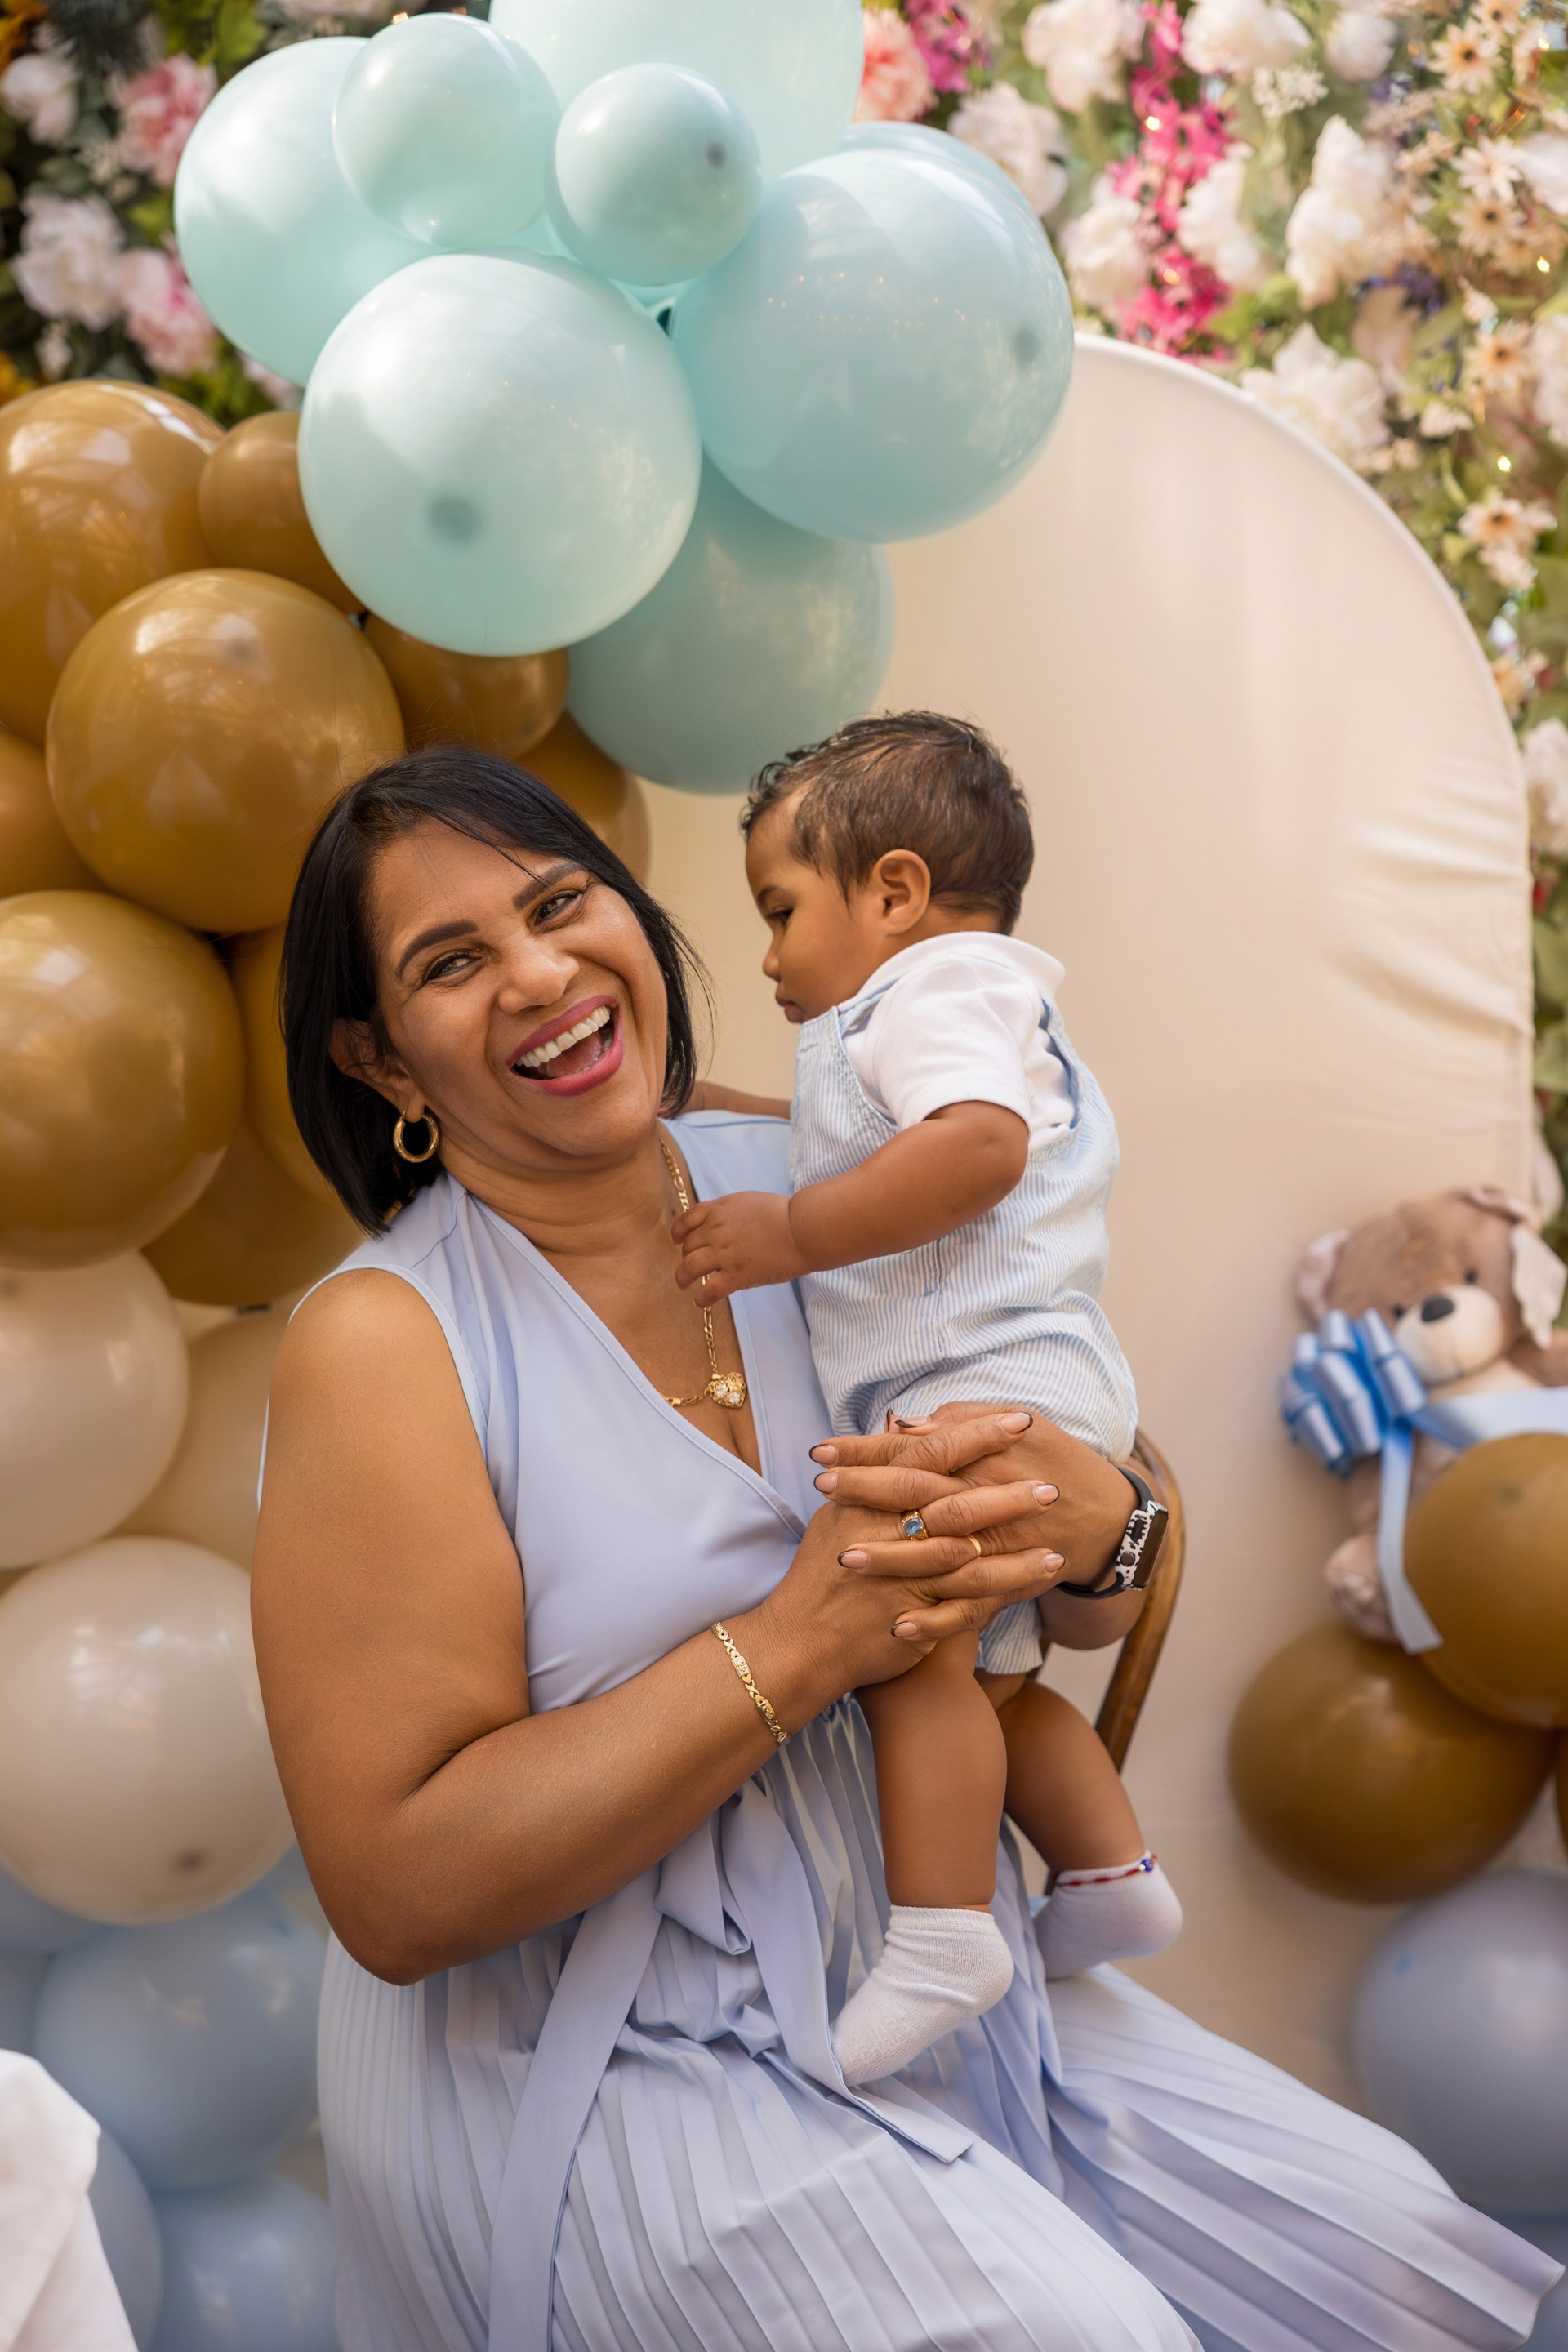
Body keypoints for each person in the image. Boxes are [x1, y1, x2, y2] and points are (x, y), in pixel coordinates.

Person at [252, 746, 1557, 2352]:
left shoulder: (828, 1176)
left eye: (559, 903)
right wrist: (800, 1639)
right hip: (606, 2064)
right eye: (450, 964)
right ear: (382, 1063)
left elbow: (1091, 1603)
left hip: (950, 1971)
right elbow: (397, 1890)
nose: (538, 974)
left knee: (1421, 2278)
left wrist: (1103, 1526)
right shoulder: (385, 1344)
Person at [670, 715, 1181, 2086]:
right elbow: (858, 1137)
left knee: (907, 1643)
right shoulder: (952, 1009)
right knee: (994, 1682)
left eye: (780, 911)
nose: (769, 957)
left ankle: (947, 1934)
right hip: (1027, 1371)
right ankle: (1109, 1873)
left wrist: (792, 1234)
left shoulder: (932, 993)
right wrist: (715, 1109)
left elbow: (977, 1151)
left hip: (984, 1381)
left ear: (894, 892)